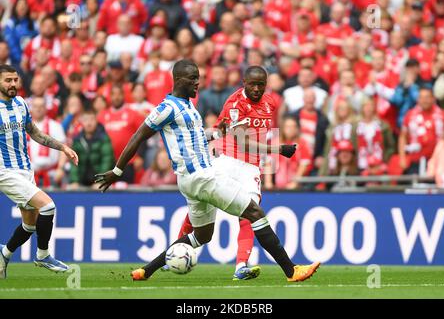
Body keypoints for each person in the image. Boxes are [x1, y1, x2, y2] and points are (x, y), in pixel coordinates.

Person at [95, 60, 320, 282]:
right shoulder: (166, 108)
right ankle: (291, 271)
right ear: (178, 80)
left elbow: (197, 138)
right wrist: (117, 170)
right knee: (255, 213)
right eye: (193, 78)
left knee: (202, 235)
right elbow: (138, 136)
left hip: (191, 181)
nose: (197, 83)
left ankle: (146, 270)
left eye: (198, 78)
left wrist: (218, 132)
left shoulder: (189, 108)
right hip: (202, 176)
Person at [0, 64, 79, 279]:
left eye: (15, 80)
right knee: (48, 206)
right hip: (5, 171)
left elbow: (34, 132)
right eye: (8, 80)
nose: (13, 84)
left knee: (30, 223)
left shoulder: (21, 104)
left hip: (25, 169)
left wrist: (62, 146)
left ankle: (4, 252)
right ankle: (43, 255)